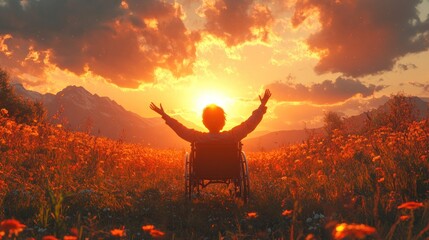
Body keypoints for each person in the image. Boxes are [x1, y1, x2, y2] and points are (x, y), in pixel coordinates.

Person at [149, 89, 271, 143]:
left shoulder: (197, 137)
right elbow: (250, 124)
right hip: (228, 169)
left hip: (202, 170)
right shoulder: (233, 136)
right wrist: (262, 105)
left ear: (204, 121)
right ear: (223, 121)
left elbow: (179, 129)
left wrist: (164, 115)